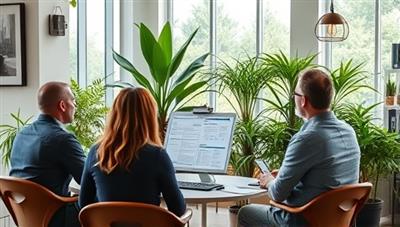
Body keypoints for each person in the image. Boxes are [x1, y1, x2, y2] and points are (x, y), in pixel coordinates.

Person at [238, 69, 360, 227]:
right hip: (337, 221)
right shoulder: (348, 131)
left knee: (246, 213)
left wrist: (269, 181)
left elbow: (277, 194)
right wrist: (283, 176)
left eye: (295, 94)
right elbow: (324, 177)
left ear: (303, 101)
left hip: (305, 220)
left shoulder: (307, 138)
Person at [79, 87, 186, 216]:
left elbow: (84, 204)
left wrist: (109, 203)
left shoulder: (96, 152)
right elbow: (178, 209)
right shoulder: (157, 156)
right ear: (150, 117)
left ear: (114, 115)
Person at [10, 81, 85, 227]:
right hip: (55, 217)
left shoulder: (22, 134)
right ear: (62, 105)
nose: (75, 106)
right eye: (73, 101)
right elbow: (87, 179)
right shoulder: (63, 139)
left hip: (28, 217)